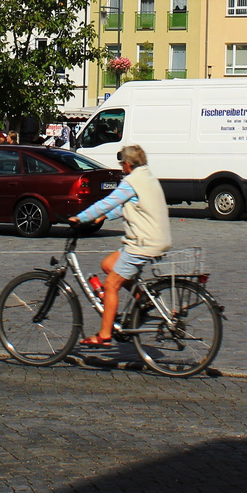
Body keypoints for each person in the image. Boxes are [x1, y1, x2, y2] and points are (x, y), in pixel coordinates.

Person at [67, 144, 173, 350]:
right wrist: (105, 216)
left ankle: (105, 334)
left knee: (111, 285)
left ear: (127, 164)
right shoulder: (147, 177)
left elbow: (107, 202)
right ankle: (141, 298)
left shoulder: (131, 181)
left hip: (142, 242)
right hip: (153, 238)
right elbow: (131, 204)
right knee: (108, 265)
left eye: (121, 164)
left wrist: (80, 218)